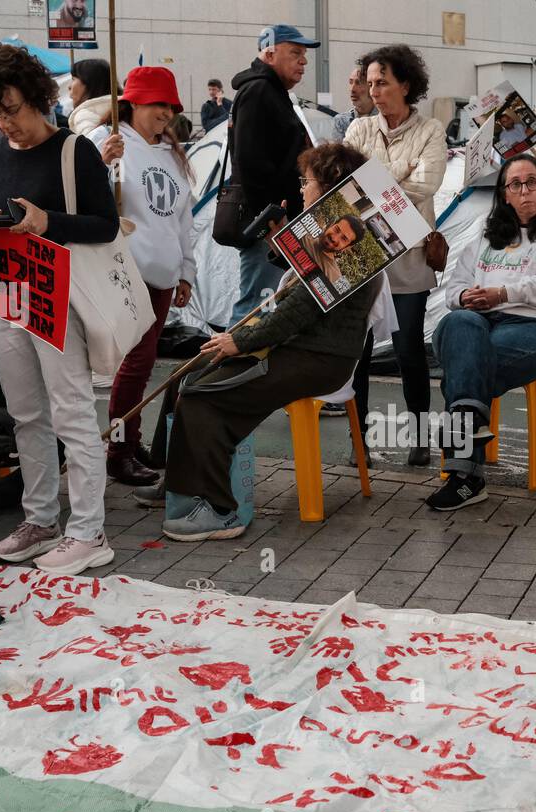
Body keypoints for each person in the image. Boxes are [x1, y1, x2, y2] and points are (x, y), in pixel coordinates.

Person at [142, 142, 384, 542]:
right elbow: (298, 289)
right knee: (193, 368)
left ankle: (221, 509)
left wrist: (239, 341)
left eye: (308, 181)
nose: (302, 188)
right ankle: (179, 485)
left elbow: (298, 310)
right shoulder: (322, 238)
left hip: (318, 356)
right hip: (299, 345)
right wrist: (281, 247)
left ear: (329, 190)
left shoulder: (358, 256)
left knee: (205, 393)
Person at [0, 42, 121, 575]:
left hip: (61, 296)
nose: (5, 123)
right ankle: (40, 519)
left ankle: (88, 531)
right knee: (26, 414)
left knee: (73, 411)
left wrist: (47, 221)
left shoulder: (74, 151)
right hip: (7, 294)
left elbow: (106, 225)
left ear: (36, 96)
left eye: (11, 109)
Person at [426, 154, 536, 511]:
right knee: (459, 323)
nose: (524, 190)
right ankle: (469, 457)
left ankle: (465, 473)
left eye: (532, 182)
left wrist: (503, 293)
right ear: (504, 194)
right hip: (478, 324)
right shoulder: (484, 241)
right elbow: (453, 287)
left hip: (534, 327)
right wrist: (464, 296)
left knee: (466, 363)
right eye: (515, 184)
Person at [87, 66, 197, 487]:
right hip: (123, 268)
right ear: (132, 102)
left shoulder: (172, 154)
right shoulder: (107, 141)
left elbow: (183, 221)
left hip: (163, 274)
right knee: (134, 364)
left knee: (141, 364)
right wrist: (100, 163)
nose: (165, 113)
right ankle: (119, 451)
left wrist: (187, 270)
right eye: (157, 103)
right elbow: (80, 196)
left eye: (170, 105)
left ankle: (128, 441)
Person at [346, 44, 447, 466]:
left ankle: (420, 437)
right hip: (362, 254)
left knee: (408, 350)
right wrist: (396, 180)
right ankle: (359, 442)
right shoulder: (358, 131)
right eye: (370, 83)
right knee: (359, 352)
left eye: (382, 82)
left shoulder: (431, 130)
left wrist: (374, 186)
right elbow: (345, 188)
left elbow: (426, 186)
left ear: (406, 84)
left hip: (409, 255)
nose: (374, 90)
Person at [227, 24, 318, 330]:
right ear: (269, 54)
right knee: (256, 309)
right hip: (268, 224)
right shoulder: (259, 91)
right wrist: (268, 226)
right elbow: (251, 163)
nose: (303, 62)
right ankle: (220, 376)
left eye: (304, 55)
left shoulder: (271, 92)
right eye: (295, 53)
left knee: (266, 307)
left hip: (276, 221)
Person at [65, 58, 117, 136]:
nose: (69, 86)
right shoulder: (125, 107)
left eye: (73, 79)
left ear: (89, 83)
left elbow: (91, 146)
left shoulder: (85, 116)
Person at [330, 66, 376, 142]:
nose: (352, 89)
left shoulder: (384, 119)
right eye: (351, 82)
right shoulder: (341, 121)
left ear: (371, 86)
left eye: (359, 83)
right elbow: (337, 153)